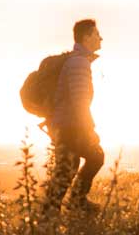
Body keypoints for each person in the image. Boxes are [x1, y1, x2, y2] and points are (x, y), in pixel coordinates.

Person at [45, 18, 105, 213]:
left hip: (65, 125)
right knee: (93, 157)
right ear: (86, 37)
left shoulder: (77, 61)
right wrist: (89, 131)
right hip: (69, 126)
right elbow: (80, 102)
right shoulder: (79, 63)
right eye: (96, 34)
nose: (101, 38)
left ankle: (52, 214)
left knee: (68, 169)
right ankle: (71, 204)